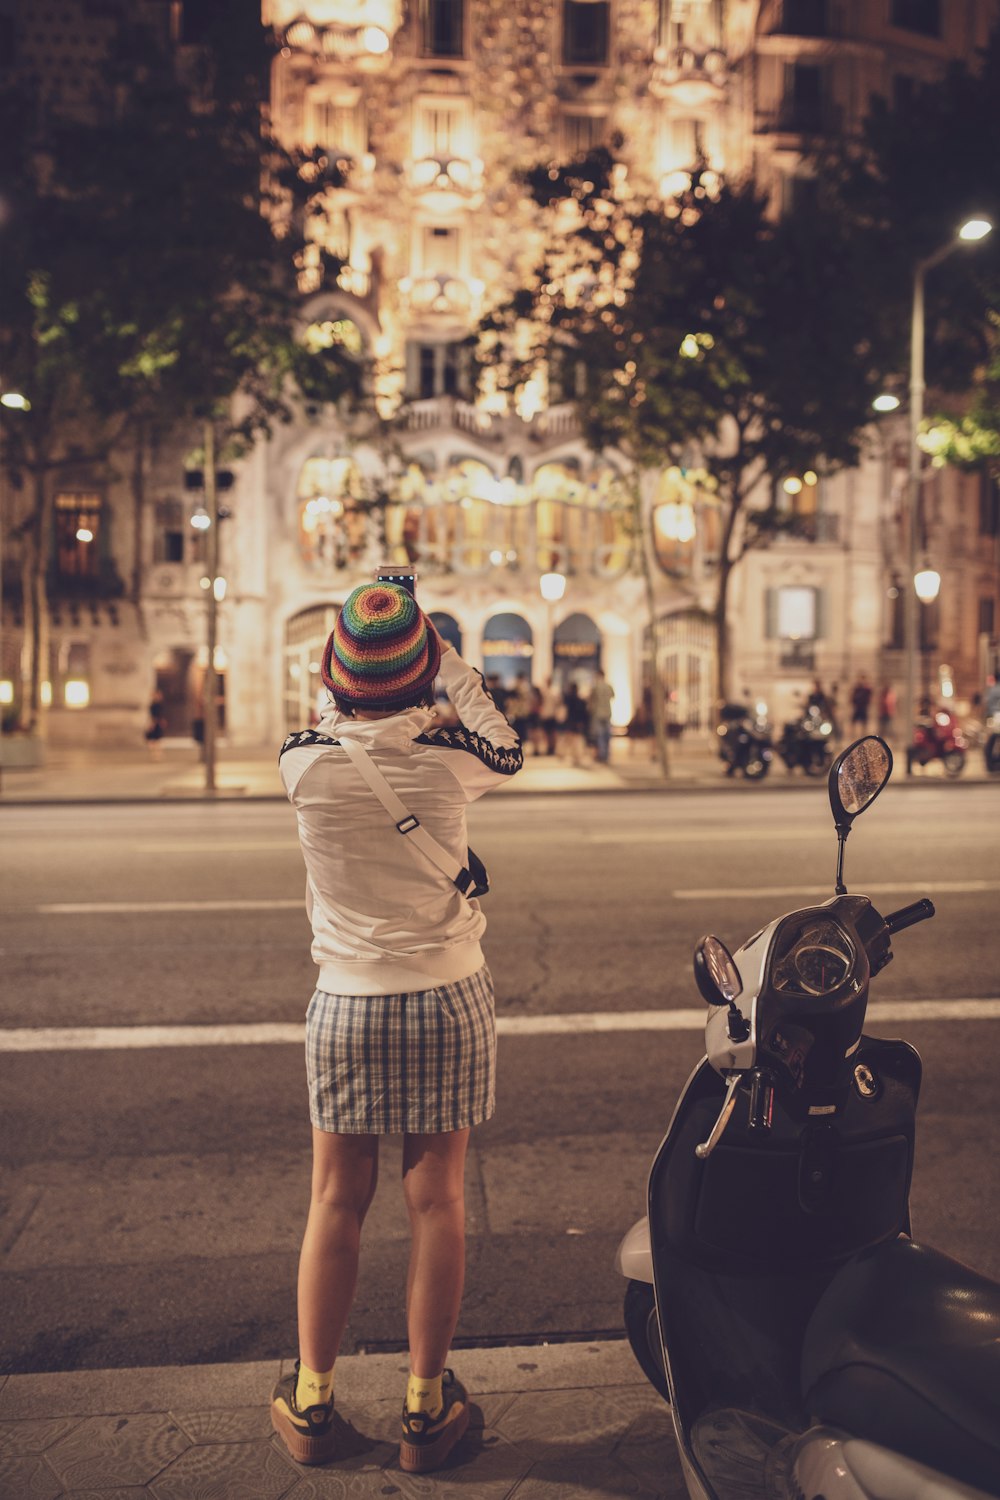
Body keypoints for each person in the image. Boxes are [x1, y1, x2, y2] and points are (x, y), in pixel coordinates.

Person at [272, 583, 522, 1472]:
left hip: (345, 1002)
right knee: (438, 1200)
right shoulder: (455, 760)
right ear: (423, 673)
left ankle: (311, 1402)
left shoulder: (300, 763)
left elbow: (332, 709)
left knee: (335, 1200)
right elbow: (506, 741)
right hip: (448, 995)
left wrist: (362, 663)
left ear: (335, 679)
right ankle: (425, 1407)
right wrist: (441, 656)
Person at [587, 668, 615, 764]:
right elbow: (613, 696)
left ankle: (602, 755)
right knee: (607, 735)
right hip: (607, 713)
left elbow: (591, 701)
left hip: (598, 714)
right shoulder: (609, 686)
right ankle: (606, 754)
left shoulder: (595, 687)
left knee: (600, 735)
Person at [144, 689, 167, 760]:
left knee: (156, 740)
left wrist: (161, 721)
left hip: (157, 723)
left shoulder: (159, 705)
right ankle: (156, 754)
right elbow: (153, 715)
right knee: (152, 740)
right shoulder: (153, 705)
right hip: (155, 723)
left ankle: (157, 754)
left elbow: (159, 715)